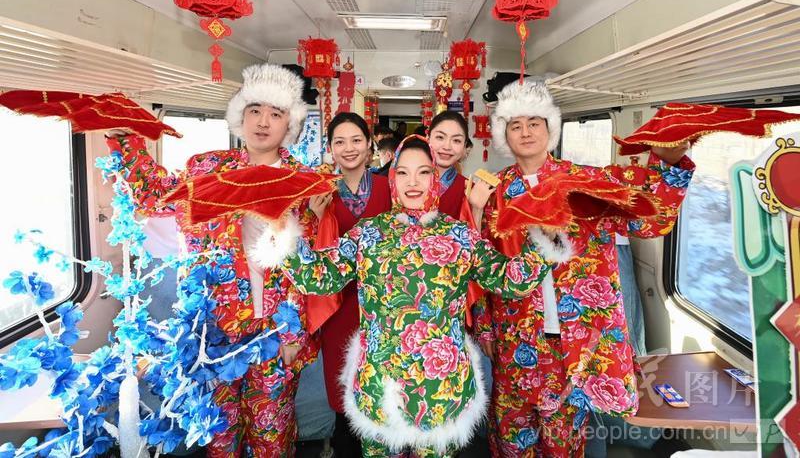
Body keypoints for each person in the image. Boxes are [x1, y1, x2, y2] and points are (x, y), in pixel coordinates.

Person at [282, 136, 562, 458]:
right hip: (380, 386)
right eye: (403, 173)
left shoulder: (459, 235)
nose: (412, 182)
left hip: (442, 388)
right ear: (392, 178)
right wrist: (281, 229)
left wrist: (546, 239)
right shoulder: (368, 233)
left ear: (435, 178)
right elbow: (317, 276)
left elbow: (511, 280)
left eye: (423, 172)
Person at [469, 81, 694, 458]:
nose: (526, 132)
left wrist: (669, 162)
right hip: (514, 335)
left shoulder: (587, 182)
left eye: (534, 123)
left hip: (575, 342)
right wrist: (485, 326)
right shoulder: (494, 193)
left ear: (550, 129)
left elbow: (649, 220)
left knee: (563, 442)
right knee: (511, 437)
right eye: (515, 125)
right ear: (505, 135)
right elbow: (482, 264)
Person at [107, 63, 319, 457]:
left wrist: (294, 334)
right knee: (220, 435)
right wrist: (125, 139)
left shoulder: (303, 181)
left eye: (275, 114)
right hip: (215, 328)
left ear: (289, 123)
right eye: (255, 110)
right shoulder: (207, 168)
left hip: (274, 328)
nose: (263, 122)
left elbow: (306, 264)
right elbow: (155, 195)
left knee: (271, 433)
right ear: (241, 115)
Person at [307, 112, 392, 458]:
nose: (349, 148)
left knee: (383, 388)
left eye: (356, 140)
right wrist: (317, 218)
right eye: (339, 142)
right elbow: (311, 254)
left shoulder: (391, 187)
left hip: (384, 307)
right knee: (343, 389)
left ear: (370, 144)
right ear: (330, 148)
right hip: (339, 305)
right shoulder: (320, 194)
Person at [427, 111, 469, 219]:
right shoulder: (405, 181)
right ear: (427, 138)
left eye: (456, 140)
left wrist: (478, 208)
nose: (447, 147)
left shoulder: (469, 190)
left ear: (464, 146)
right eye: (440, 137)